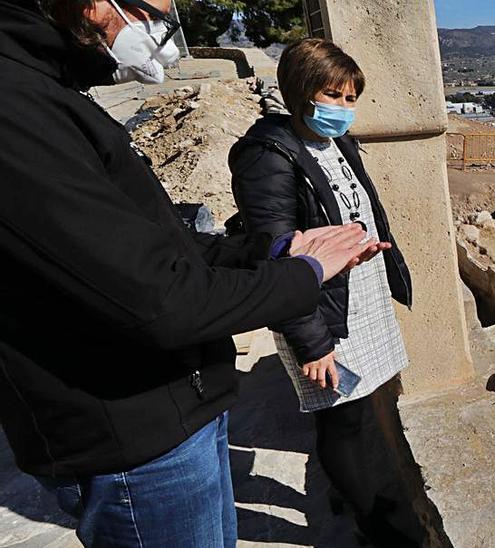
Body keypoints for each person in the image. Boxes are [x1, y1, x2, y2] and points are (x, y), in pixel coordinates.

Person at [0, 1, 387, 546]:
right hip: (136, 440)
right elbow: (162, 299)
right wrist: (302, 275)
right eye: (151, 10)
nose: (162, 29)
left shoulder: (50, 90)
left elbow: (161, 246)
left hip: (180, 408)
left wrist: (277, 255)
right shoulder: (17, 107)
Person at [229, 38, 423, 546]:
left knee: (354, 411)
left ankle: (346, 492)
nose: (342, 109)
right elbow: (277, 254)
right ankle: (375, 528)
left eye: (351, 98)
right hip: (316, 306)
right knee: (342, 418)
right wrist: (309, 341)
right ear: (300, 92)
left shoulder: (335, 141)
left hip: (359, 295)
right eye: (331, 96)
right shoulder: (266, 157)